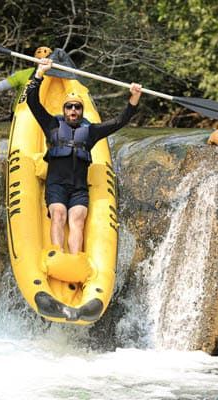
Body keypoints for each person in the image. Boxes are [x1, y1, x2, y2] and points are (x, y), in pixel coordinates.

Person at [26, 58, 141, 255]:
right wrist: (39, 74)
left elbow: (120, 121)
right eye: (69, 107)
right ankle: (57, 253)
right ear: (64, 110)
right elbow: (32, 102)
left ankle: (75, 258)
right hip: (56, 186)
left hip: (79, 188)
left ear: (82, 110)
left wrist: (134, 97)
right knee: (59, 214)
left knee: (77, 219)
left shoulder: (91, 132)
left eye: (77, 107)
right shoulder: (52, 125)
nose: (73, 110)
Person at [0, 46, 53, 112]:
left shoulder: (22, 74)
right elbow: (3, 85)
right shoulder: (22, 74)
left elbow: (2, 86)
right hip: (22, 112)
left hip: (41, 112)